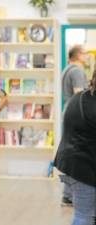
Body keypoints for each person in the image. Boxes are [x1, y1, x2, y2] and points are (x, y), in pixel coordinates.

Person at [54, 69, 96, 225]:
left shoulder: (79, 97)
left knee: (83, 214)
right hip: (84, 169)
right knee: (84, 215)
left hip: (71, 164)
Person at [61, 45, 89, 206]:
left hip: (69, 114)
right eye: (85, 53)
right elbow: (80, 96)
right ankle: (71, 196)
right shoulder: (77, 71)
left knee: (72, 154)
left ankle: (68, 195)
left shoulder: (67, 69)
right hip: (77, 116)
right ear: (78, 55)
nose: (87, 56)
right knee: (78, 155)